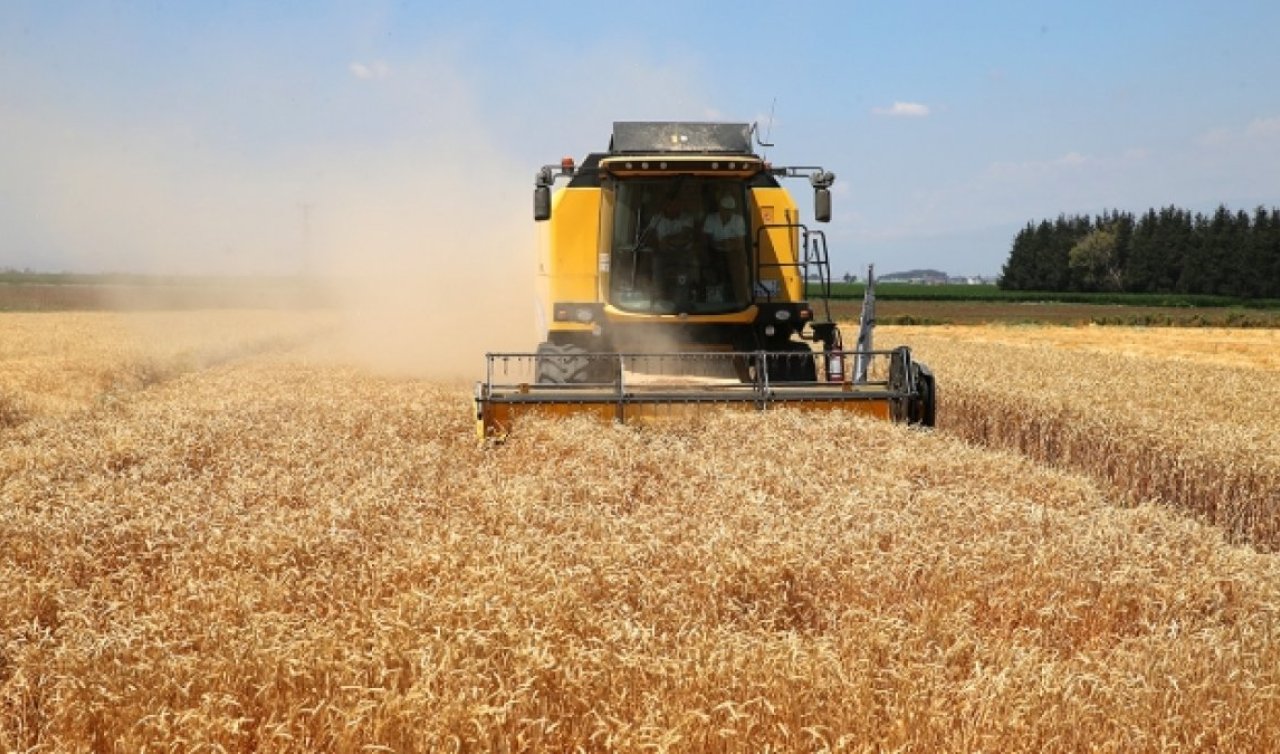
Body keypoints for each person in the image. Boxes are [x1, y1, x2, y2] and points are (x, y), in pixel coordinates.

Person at [702, 195, 748, 303]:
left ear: (733, 210)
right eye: (724, 209)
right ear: (720, 208)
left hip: (734, 254)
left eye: (729, 210)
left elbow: (739, 243)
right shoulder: (711, 219)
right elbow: (706, 240)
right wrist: (728, 242)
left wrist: (722, 243)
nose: (727, 212)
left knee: (738, 273)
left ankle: (738, 299)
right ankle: (714, 301)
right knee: (712, 273)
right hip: (714, 253)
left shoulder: (738, 220)